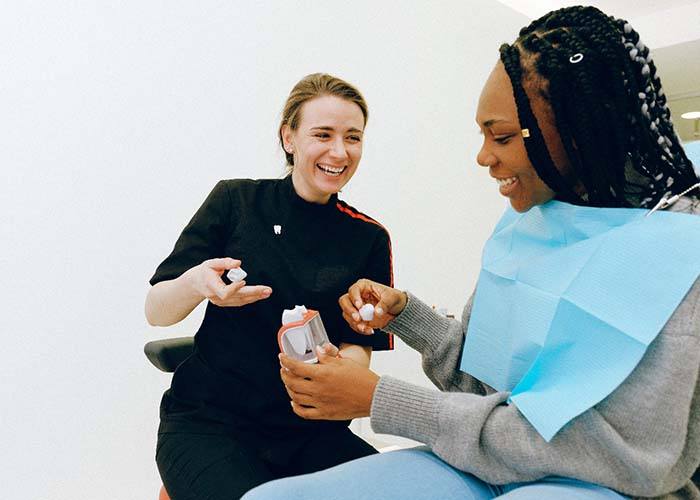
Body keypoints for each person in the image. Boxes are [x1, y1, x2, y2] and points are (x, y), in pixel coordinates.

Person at [242, 6, 700, 500]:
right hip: (490, 464)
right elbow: (487, 387)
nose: (483, 156)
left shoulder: (678, 250)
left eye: (501, 136)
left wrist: (383, 400)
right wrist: (408, 316)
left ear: (577, 129)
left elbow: (623, 457)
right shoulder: (530, 222)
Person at [145, 73, 395, 499]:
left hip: (309, 432)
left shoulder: (368, 237)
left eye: (353, 138)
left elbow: (359, 348)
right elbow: (157, 310)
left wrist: (342, 366)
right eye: (323, 134)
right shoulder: (236, 202)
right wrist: (196, 282)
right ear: (289, 137)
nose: (339, 151)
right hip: (209, 424)